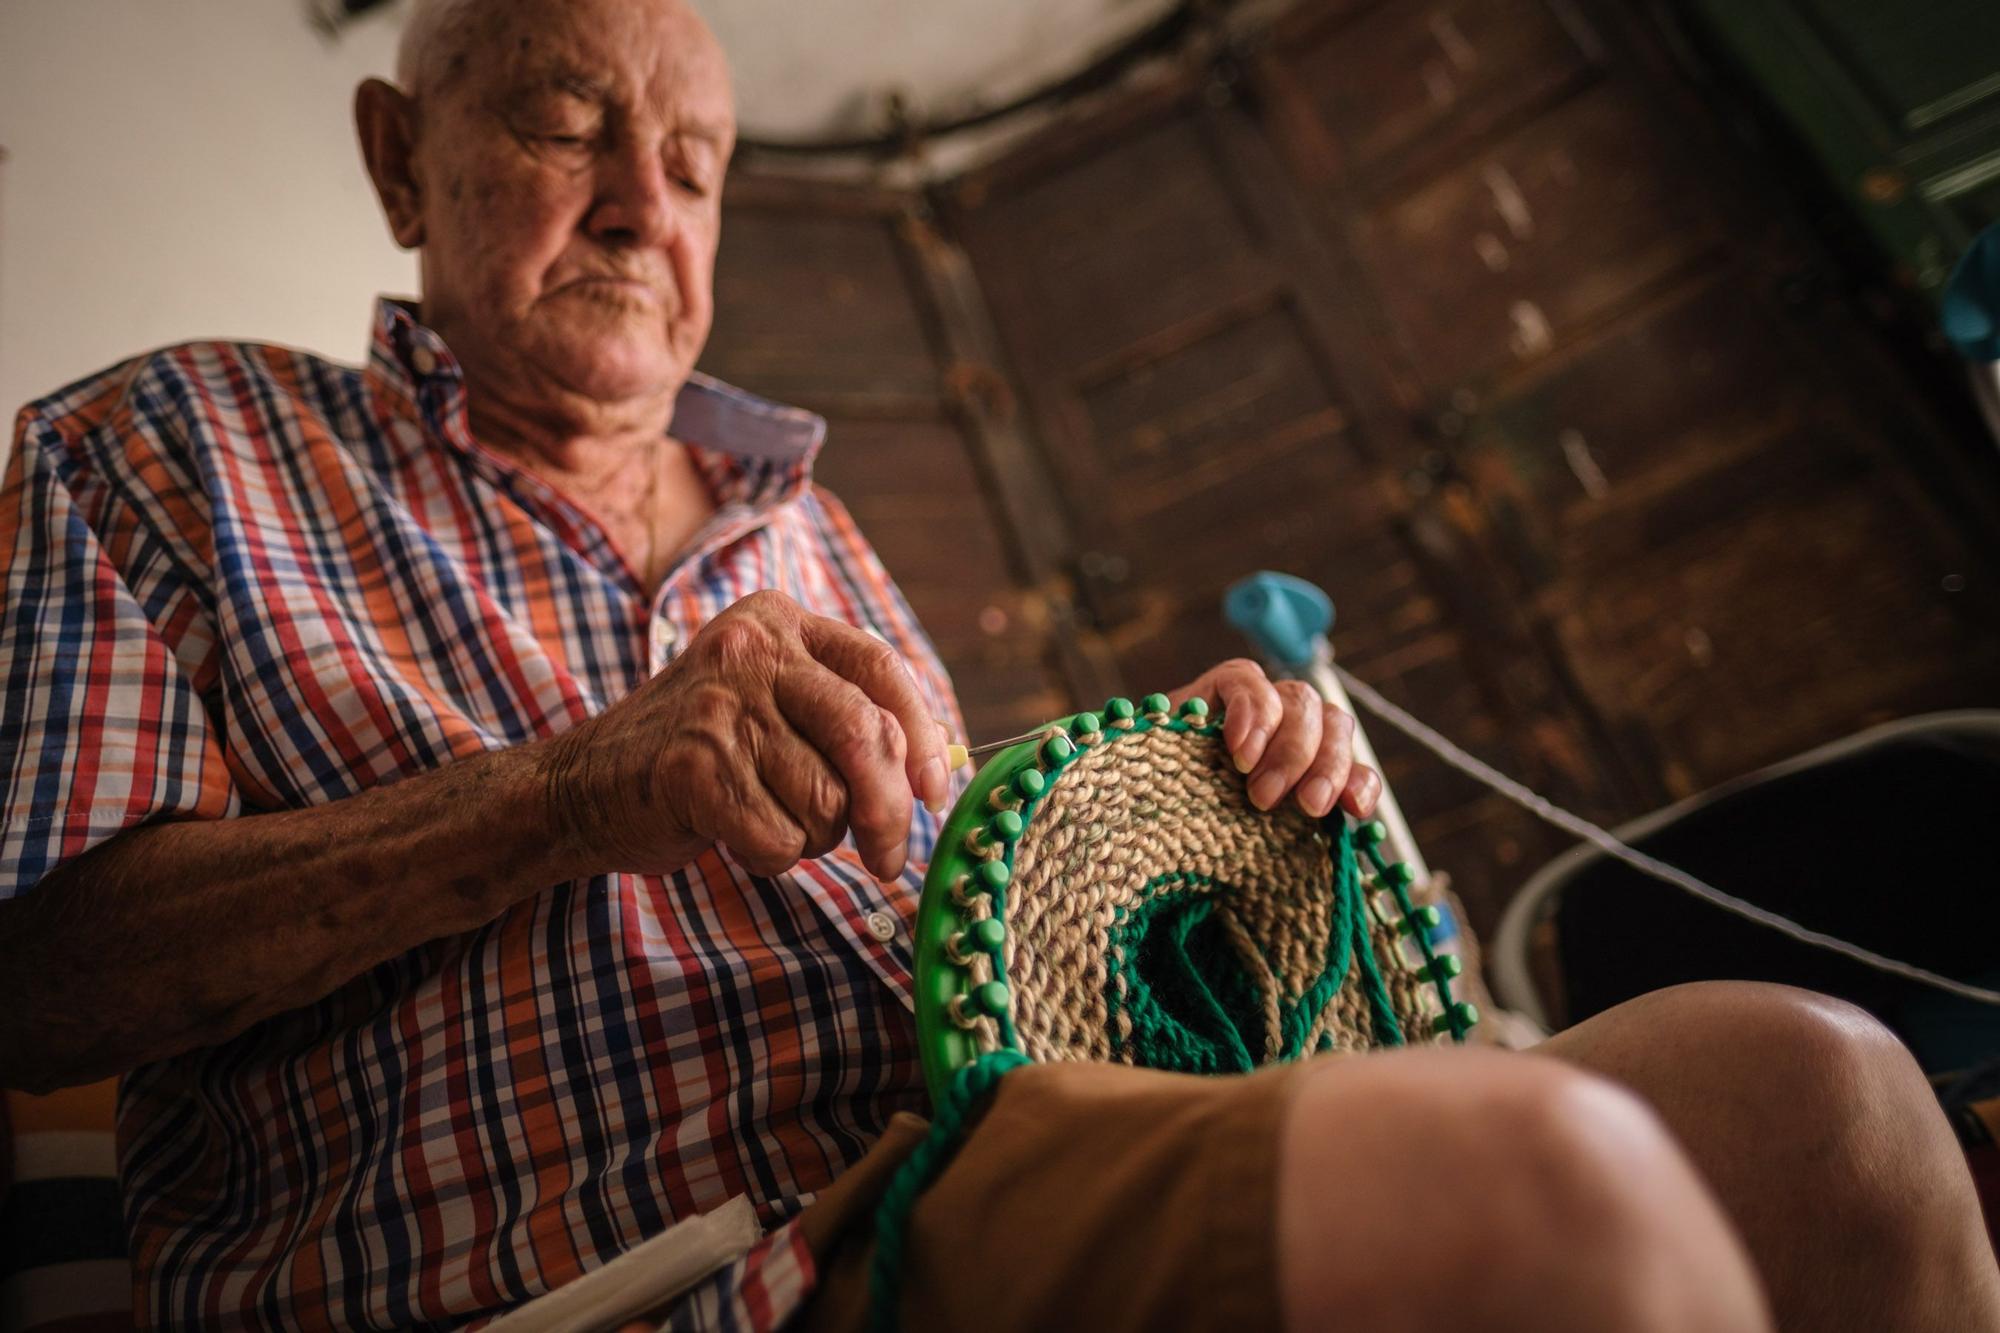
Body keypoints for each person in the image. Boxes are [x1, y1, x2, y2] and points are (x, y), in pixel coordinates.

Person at [1, 0, 1994, 1328]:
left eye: (694, 164)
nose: (643, 201)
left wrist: (1200, 811)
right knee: (1538, 1191)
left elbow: (992, 937)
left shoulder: (811, 524)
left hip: (980, 1145)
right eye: (564, 120)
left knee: (1823, 1101)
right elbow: (37, 982)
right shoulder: (167, 450)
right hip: (625, 1276)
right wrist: (560, 793)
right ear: (397, 156)